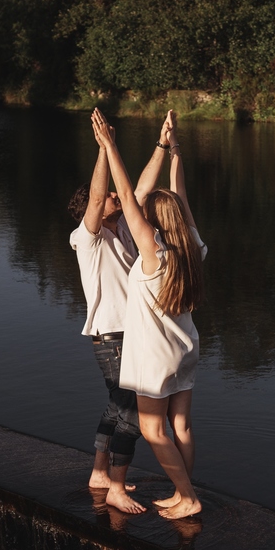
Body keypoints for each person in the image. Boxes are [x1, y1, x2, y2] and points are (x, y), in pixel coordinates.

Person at [90, 108, 206, 520]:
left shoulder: (153, 256)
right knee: (182, 428)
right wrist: (175, 153)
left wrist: (110, 146)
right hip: (187, 349)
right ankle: (182, 492)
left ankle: (188, 498)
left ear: (153, 224)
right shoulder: (191, 246)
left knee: (155, 430)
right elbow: (181, 198)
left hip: (155, 359)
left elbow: (130, 195)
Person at [69, 113, 172, 514]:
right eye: (111, 195)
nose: (115, 195)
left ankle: (100, 474)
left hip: (133, 335)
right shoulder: (86, 238)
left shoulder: (126, 230)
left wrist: (161, 145)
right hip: (113, 337)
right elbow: (97, 198)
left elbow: (141, 189)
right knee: (131, 412)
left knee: (117, 407)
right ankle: (115, 487)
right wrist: (102, 149)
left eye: (114, 194)